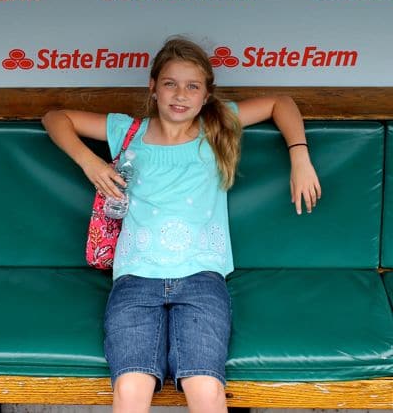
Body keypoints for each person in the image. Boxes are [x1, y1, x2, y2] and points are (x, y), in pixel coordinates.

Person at [42, 37, 321, 413]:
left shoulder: (216, 126)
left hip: (201, 278)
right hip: (136, 277)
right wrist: (89, 162)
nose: (180, 95)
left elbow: (280, 103)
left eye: (193, 86)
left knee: (205, 388)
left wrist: (300, 157)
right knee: (129, 388)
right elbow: (55, 117)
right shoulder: (128, 131)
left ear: (206, 96)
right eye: (170, 83)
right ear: (153, 87)